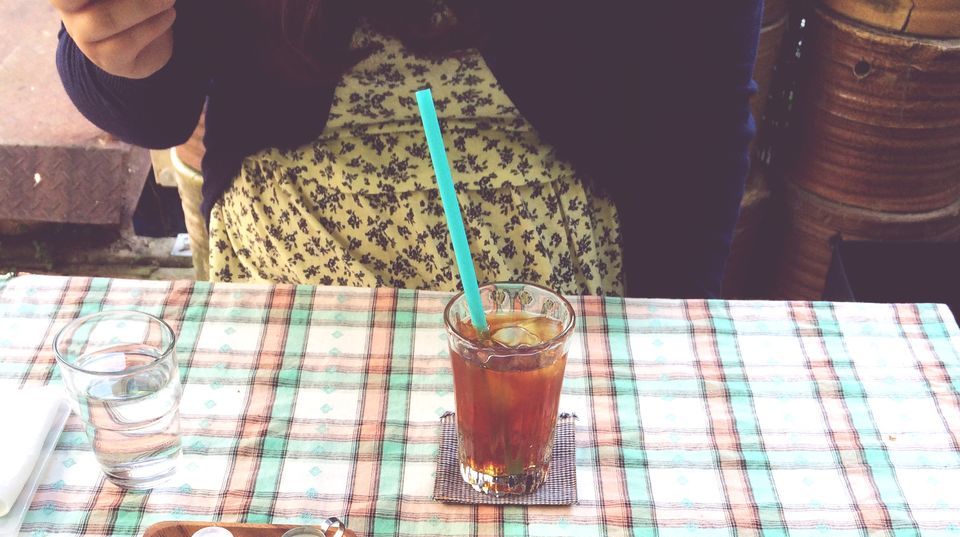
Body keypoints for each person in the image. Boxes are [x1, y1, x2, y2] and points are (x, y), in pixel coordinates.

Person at [52, 0, 763, 298]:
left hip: (559, 323)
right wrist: (115, 48)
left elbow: (701, 128)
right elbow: (156, 100)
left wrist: (667, 344)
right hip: (285, 303)